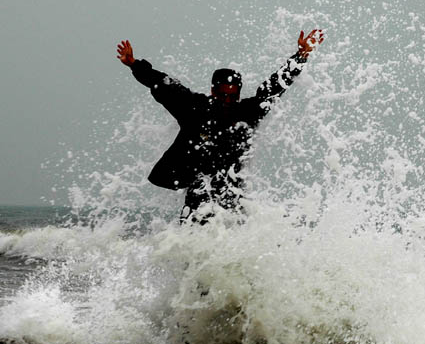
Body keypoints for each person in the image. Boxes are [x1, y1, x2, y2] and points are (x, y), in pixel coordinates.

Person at [117, 30, 324, 223]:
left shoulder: (246, 112)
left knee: (233, 212)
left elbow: (273, 88)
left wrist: (300, 56)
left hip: (230, 194)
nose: (226, 101)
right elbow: (163, 84)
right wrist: (135, 64)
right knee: (199, 189)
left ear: (239, 95)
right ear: (213, 91)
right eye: (222, 95)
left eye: (232, 97)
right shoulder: (195, 107)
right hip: (194, 187)